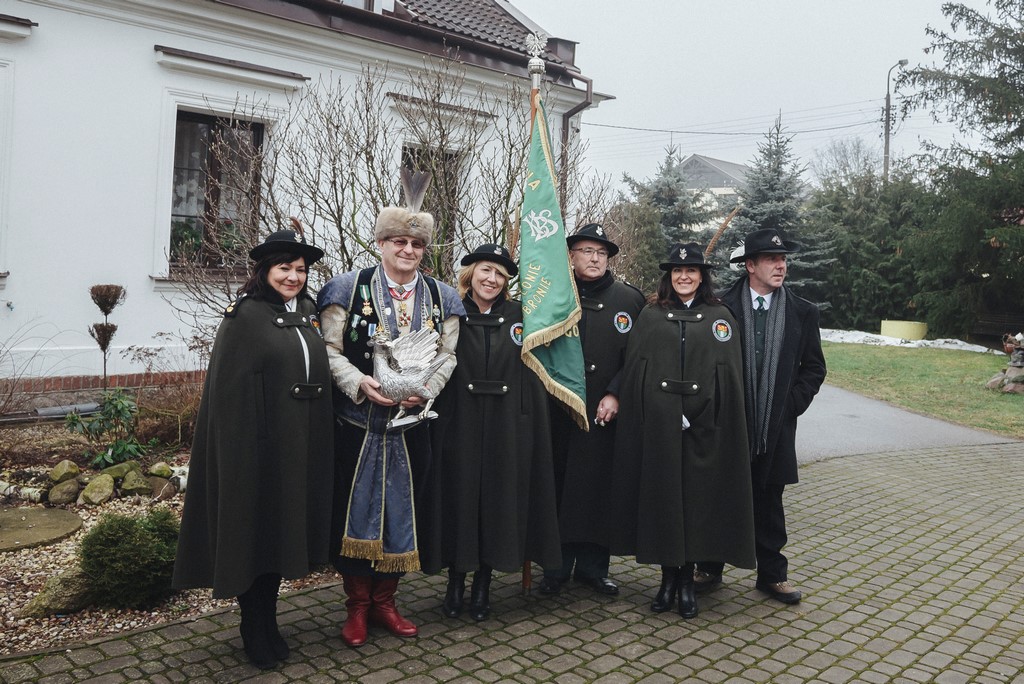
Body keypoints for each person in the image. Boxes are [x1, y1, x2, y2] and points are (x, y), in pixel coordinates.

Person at [173, 228, 334, 670]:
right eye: (284, 268)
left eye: (300, 269)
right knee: (254, 532)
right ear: (264, 271)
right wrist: (243, 448)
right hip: (256, 448)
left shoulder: (306, 311)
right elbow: (228, 394)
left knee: (280, 531)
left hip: (298, 444)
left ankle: (270, 618)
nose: (294, 277)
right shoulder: (243, 316)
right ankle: (252, 624)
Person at [316, 192, 462, 647]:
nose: (408, 250)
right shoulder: (347, 288)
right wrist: (359, 382)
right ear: (380, 243)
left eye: (416, 244)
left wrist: (427, 390)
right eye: (399, 241)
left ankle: (386, 603)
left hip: (412, 427)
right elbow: (328, 350)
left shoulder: (444, 296)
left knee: (403, 513)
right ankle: (357, 607)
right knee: (353, 514)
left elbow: (448, 356)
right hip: (357, 427)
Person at [610, 243, 755, 619]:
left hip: (704, 432)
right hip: (660, 430)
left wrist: (697, 412)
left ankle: (688, 582)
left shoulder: (720, 317)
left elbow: (727, 376)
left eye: (691, 270)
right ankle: (666, 580)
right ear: (669, 276)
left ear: (702, 276)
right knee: (664, 503)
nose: (684, 276)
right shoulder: (651, 316)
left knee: (696, 505)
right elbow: (639, 372)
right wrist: (665, 411)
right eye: (677, 270)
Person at [422, 243, 562, 621]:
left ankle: (483, 583)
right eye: (486, 270)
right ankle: (456, 580)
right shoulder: (450, 313)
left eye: (500, 274)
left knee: (496, 502)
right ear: (471, 274)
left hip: (506, 427)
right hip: (459, 424)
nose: (492, 279)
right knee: (461, 500)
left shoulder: (522, 316)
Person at [695, 228, 827, 605]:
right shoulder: (720, 307)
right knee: (719, 496)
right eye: (772, 259)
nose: (781, 266)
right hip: (726, 425)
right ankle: (709, 567)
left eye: (783, 259)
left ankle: (772, 575)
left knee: (770, 503)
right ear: (750, 265)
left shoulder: (802, 311)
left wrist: (789, 405)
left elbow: (814, 369)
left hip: (774, 427)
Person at [539, 223, 645, 597]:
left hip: (605, 412)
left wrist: (617, 393)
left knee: (600, 489)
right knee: (560, 488)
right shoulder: (552, 296)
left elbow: (640, 358)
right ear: (571, 256)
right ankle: (555, 569)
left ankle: (593, 569)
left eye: (601, 253)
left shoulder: (629, 301)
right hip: (558, 411)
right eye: (586, 251)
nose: (595, 258)